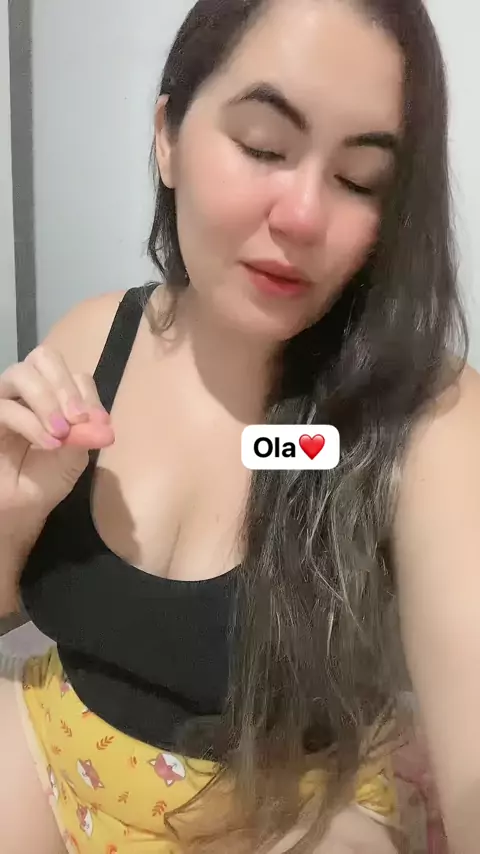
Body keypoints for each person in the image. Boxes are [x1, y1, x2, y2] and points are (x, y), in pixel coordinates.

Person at [1, 0, 478, 851]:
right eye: (263, 146)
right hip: (52, 754)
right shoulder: (92, 338)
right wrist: (14, 516)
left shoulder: (425, 417)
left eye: (360, 180)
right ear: (168, 137)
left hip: (289, 812)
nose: (303, 216)